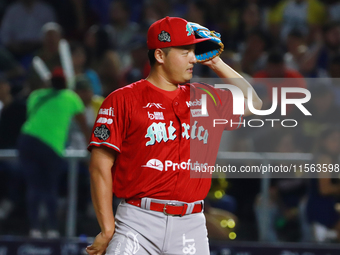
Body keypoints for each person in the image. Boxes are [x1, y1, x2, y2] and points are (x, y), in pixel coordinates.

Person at [86, 17, 262, 255]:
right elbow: (100, 166)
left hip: (191, 224)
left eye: (193, 50)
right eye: (185, 51)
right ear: (160, 56)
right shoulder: (122, 100)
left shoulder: (205, 97)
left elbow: (254, 103)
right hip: (138, 221)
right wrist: (107, 229)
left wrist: (216, 62)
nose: (193, 58)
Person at [18, 67, 89, 238]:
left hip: (27, 141)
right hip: (51, 146)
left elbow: (31, 117)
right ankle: (52, 229)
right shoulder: (71, 98)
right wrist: (91, 146)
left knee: (34, 186)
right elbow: (83, 124)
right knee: (50, 187)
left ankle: (34, 229)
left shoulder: (36, 96)